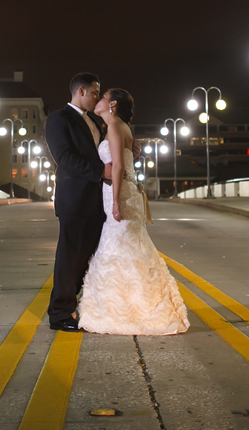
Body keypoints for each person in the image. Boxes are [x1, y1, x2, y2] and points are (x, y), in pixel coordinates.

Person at [77, 88, 189, 335]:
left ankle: (129, 311)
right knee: (126, 248)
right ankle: (127, 306)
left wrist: (116, 201)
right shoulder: (117, 127)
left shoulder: (115, 126)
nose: (99, 100)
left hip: (121, 195)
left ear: (113, 104)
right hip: (123, 193)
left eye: (103, 97)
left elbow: (117, 167)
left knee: (120, 247)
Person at [44, 73, 109, 332]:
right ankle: (59, 314)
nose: (98, 98)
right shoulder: (59, 119)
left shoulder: (95, 120)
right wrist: (100, 171)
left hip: (96, 200)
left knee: (86, 257)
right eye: (95, 93)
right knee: (68, 257)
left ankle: (78, 305)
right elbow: (65, 158)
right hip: (74, 198)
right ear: (81, 91)